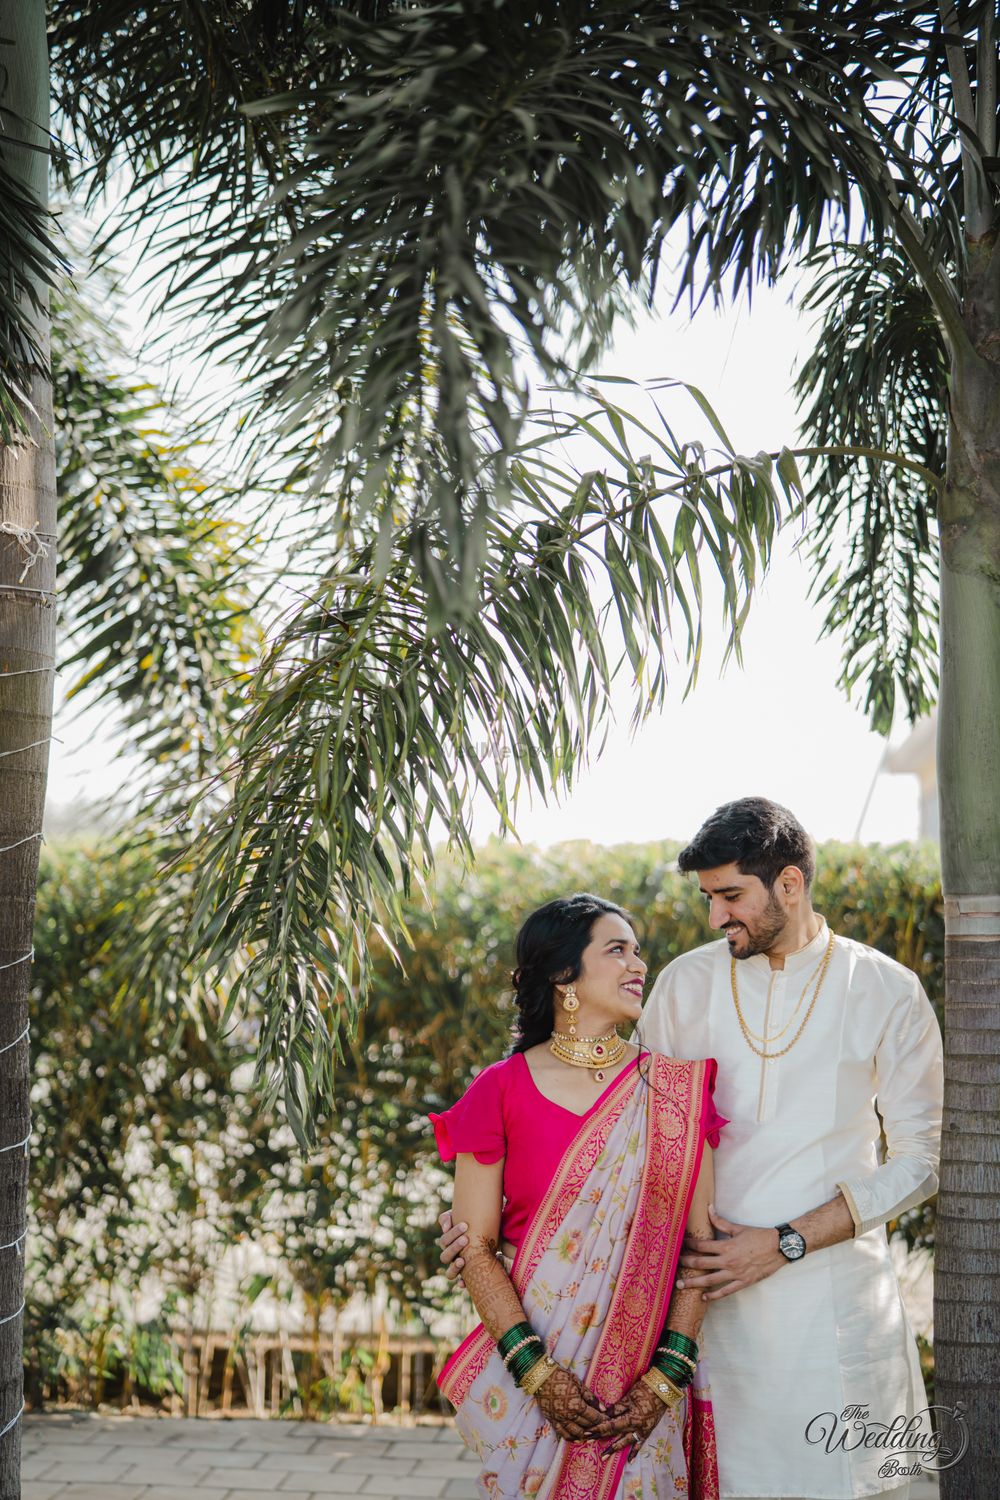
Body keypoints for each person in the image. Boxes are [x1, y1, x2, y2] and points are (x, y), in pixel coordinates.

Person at [440, 800, 943, 1500]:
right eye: (708, 898)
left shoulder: (886, 991)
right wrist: (478, 1224)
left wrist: (786, 1242)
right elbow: (625, 1138)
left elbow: (919, 1162)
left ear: (790, 886)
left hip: (833, 1309)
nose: (715, 917)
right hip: (701, 1317)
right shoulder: (685, 985)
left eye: (730, 896)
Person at [429, 892, 728, 1499]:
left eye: (638, 951)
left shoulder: (675, 1094)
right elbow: (476, 1249)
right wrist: (540, 1377)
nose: (638, 964)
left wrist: (663, 1381)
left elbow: (702, 1248)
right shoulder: (499, 1089)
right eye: (617, 950)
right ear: (563, 973)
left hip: (648, 1383)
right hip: (535, 1375)